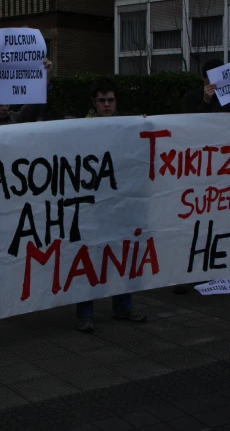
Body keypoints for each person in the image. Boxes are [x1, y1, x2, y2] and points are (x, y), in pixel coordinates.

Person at [74, 76, 148, 333]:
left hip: (120, 203)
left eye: (111, 100)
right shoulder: (81, 129)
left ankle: (123, 307)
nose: (107, 104)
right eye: (102, 100)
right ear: (94, 103)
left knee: (122, 253)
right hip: (92, 205)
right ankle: (84, 313)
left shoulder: (128, 127)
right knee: (88, 256)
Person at [172, 59, 230, 294]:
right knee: (192, 225)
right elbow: (188, 129)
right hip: (196, 172)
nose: (214, 83)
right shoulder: (191, 98)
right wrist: (205, 102)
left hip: (223, 172)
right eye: (210, 79)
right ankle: (188, 272)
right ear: (203, 79)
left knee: (220, 223)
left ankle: (217, 269)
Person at [0, 57, 51, 127]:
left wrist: (45, 79)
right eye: (0, 105)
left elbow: (35, 105)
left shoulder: (16, 118)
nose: (4, 108)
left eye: (6, 104)